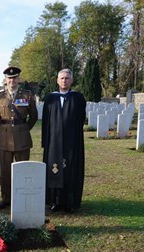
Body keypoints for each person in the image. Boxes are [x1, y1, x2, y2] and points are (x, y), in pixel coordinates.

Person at [41, 68, 86, 213]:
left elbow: (80, 120)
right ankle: (54, 201)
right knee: (54, 169)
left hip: (72, 142)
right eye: (62, 78)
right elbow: (46, 122)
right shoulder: (50, 98)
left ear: (71, 80)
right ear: (57, 80)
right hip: (54, 141)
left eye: (67, 78)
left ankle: (69, 202)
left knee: (70, 170)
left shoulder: (77, 98)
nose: (64, 81)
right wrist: (45, 141)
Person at [0, 66, 38, 209]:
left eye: (14, 78)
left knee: (23, 169)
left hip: (22, 137)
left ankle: (22, 197)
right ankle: (6, 199)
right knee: (5, 170)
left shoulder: (27, 95)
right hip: (5, 138)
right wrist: (7, 127)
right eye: (9, 78)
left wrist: (23, 128)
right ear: (5, 80)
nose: (12, 80)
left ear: (18, 79)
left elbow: (34, 116)